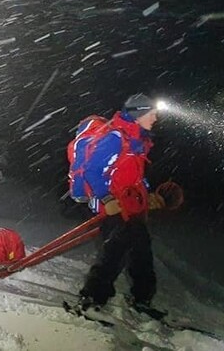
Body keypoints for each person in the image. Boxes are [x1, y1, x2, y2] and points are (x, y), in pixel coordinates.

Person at [75, 93, 173, 311]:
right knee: (114, 254)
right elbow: (92, 170)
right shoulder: (116, 138)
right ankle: (91, 299)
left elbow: (135, 176)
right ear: (138, 115)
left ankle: (142, 299)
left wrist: (148, 194)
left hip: (130, 206)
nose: (155, 118)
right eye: (152, 114)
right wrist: (107, 198)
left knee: (141, 252)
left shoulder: (137, 140)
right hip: (113, 207)